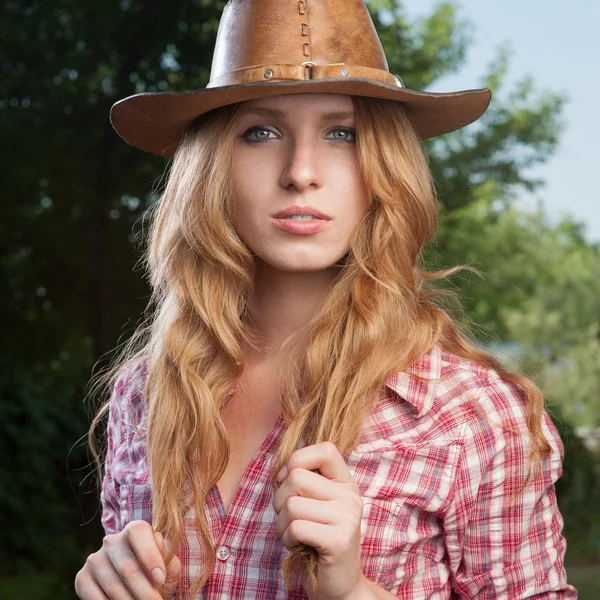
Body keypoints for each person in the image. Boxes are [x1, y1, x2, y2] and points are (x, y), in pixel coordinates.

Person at [75, 1, 578, 599]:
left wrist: (353, 590)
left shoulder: (472, 416)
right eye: (260, 133)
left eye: (343, 134)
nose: (301, 171)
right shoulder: (144, 394)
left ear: (384, 167)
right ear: (211, 167)